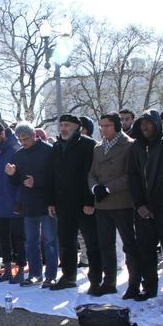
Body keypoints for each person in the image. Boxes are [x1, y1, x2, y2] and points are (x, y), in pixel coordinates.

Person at [128, 109, 163, 303]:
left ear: (156, 124)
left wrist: (152, 205)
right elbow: (133, 177)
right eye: (142, 124)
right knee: (146, 250)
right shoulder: (136, 146)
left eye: (149, 123)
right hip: (143, 210)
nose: (145, 127)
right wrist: (140, 205)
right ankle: (149, 287)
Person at [88, 112, 142, 298]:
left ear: (117, 126)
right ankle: (109, 281)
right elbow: (92, 173)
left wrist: (109, 188)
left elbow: (131, 175)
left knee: (129, 245)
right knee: (106, 245)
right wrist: (95, 187)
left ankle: (134, 282)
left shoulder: (129, 145)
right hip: (102, 204)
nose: (104, 129)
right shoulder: (98, 147)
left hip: (122, 202)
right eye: (102, 126)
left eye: (108, 125)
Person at [47, 114, 101, 291]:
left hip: (83, 203)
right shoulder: (56, 147)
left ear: (77, 126)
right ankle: (68, 276)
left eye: (67, 125)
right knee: (66, 242)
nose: (63, 128)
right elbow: (52, 176)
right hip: (63, 204)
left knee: (92, 243)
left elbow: (91, 174)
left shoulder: (87, 145)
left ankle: (96, 279)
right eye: (61, 124)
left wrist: (89, 201)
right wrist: (51, 201)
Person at [6, 122, 58, 287]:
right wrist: (12, 174)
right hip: (28, 203)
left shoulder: (48, 150)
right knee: (31, 241)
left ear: (34, 135)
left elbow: (55, 177)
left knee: (50, 241)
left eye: (26, 138)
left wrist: (37, 182)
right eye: (20, 140)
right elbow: (16, 182)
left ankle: (51, 274)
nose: (24, 142)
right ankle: (35, 274)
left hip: (47, 201)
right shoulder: (18, 154)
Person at [0, 121, 25, 283]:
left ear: (3, 134)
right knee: (3, 237)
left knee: (18, 236)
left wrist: (19, 200)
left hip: (14, 200)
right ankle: (7, 269)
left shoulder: (16, 150)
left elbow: (22, 177)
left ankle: (21, 269)